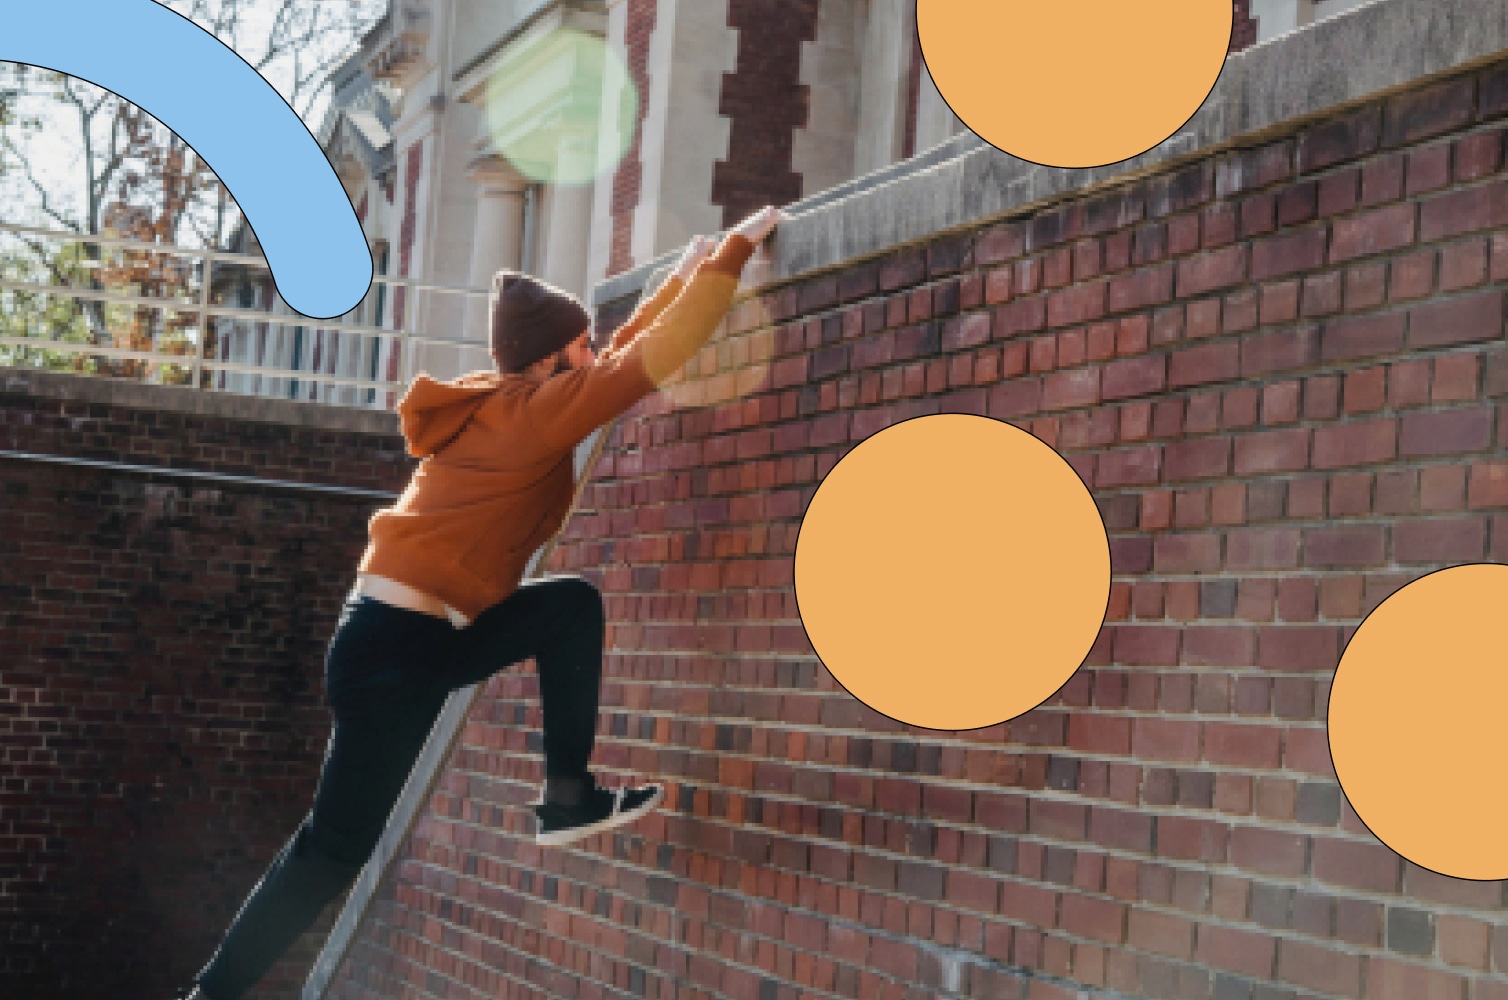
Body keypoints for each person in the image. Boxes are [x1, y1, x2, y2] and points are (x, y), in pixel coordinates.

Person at [180, 204, 788, 1000]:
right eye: (578, 342)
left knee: (568, 606)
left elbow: (608, 363)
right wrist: (736, 252)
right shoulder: (530, 418)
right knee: (333, 850)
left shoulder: (517, 403)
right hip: (393, 651)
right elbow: (646, 363)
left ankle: (568, 797)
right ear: (546, 360)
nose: (592, 350)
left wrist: (680, 278)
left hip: (413, 642)